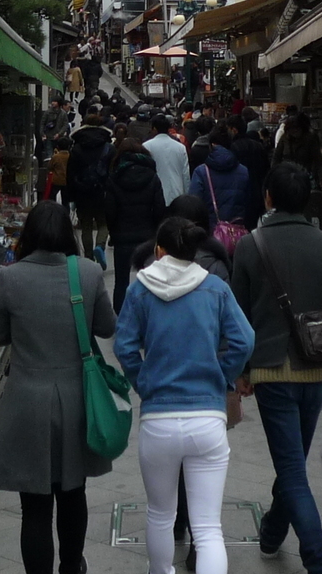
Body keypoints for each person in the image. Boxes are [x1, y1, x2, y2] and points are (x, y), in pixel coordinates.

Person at [230, 164, 322, 574]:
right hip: (318, 370)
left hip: (271, 370)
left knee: (290, 467)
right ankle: (272, 531)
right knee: (293, 464)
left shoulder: (251, 246)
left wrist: (242, 370)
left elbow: (237, 315)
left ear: (268, 197)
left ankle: (320, 559)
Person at [0, 201, 117, 574]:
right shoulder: (88, 274)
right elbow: (107, 327)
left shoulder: (11, 277)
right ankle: (72, 565)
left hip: (26, 400)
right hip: (76, 399)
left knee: (34, 505)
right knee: (74, 493)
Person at [115, 217, 255, 574]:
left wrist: (143, 382)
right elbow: (244, 340)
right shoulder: (215, 288)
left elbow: (125, 347)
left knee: (161, 514)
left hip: (158, 419)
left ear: (159, 251)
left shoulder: (140, 290)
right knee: (208, 527)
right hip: (207, 417)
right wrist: (223, 377)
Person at [105, 136, 170, 310]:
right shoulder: (152, 177)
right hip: (147, 236)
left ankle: (121, 315)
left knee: (121, 281)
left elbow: (110, 211)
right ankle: (147, 314)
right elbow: (159, 208)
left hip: (122, 237)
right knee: (150, 279)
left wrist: (114, 231)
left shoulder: (114, 177)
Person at [68, 105, 115, 261]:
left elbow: (71, 173)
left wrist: (71, 196)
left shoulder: (76, 148)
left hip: (82, 192)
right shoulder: (109, 147)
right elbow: (114, 171)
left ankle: (88, 257)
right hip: (103, 191)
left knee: (86, 226)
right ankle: (100, 246)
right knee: (104, 223)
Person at [273, 113, 322, 222]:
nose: (295, 132)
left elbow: (318, 160)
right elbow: (276, 158)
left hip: (305, 176)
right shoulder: (285, 139)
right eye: (292, 129)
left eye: (297, 128)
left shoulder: (310, 139)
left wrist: (321, 178)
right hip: (286, 176)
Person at [196, 128, 250, 231]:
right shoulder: (243, 171)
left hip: (210, 230)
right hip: (237, 231)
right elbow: (248, 202)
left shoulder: (201, 171)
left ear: (212, 145)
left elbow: (195, 203)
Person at [226, 119, 271, 228]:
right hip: (258, 193)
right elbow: (267, 170)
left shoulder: (232, 148)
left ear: (234, 130)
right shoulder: (258, 146)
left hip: (239, 194)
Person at [143, 114, 191, 202]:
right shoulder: (180, 147)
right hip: (177, 192)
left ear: (154, 129)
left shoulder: (146, 146)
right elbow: (185, 174)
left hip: (155, 194)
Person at [47, 136, 73, 202]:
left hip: (56, 180)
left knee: (52, 197)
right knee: (65, 201)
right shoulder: (71, 156)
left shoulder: (56, 157)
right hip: (67, 181)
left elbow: (49, 166)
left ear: (58, 146)